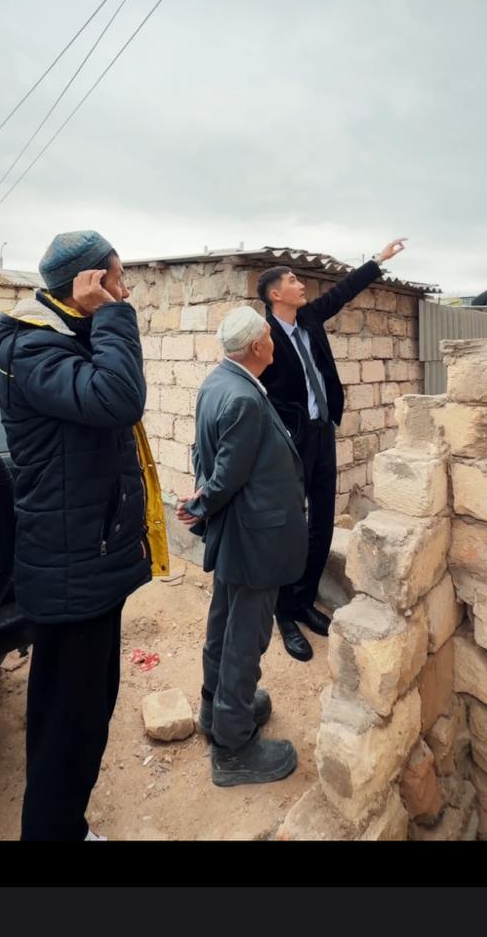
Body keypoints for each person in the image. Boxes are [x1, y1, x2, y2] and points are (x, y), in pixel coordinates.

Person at [0, 229, 168, 841]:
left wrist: (101, 320)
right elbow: (119, 399)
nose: (127, 290)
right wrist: (113, 315)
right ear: (89, 283)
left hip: (87, 562)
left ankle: (65, 827)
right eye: (119, 278)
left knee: (84, 714)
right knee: (68, 727)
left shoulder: (65, 339)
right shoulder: (34, 347)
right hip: (70, 568)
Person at [257, 239, 407, 662]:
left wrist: (378, 260)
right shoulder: (264, 336)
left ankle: (305, 601)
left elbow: (343, 292)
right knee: (290, 526)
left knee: (321, 521)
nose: (300, 284)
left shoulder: (309, 318)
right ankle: (284, 613)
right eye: (293, 280)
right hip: (291, 441)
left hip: (322, 432)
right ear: (275, 294)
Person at [177, 305, 307, 788]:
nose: (275, 340)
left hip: (238, 533)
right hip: (255, 539)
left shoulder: (219, 382)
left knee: (224, 626)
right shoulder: (244, 398)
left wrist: (202, 500)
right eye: (270, 335)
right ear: (256, 346)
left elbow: (203, 454)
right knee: (245, 639)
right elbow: (227, 474)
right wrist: (201, 504)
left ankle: (217, 709)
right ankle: (233, 747)